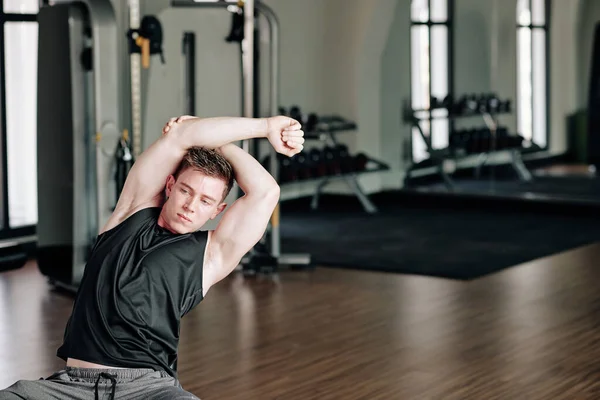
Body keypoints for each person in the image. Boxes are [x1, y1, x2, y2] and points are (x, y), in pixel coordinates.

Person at [0, 115, 304, 400]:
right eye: (186, 191)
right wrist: (252, 127)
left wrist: (245, 135)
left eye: (206, 201)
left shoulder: (211, 254)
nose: (190, 205)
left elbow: (266, 192)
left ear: (217, 211)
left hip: (148, 389)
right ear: (170, 186)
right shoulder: (129, 214)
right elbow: (182, 135)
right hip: (71, 387)